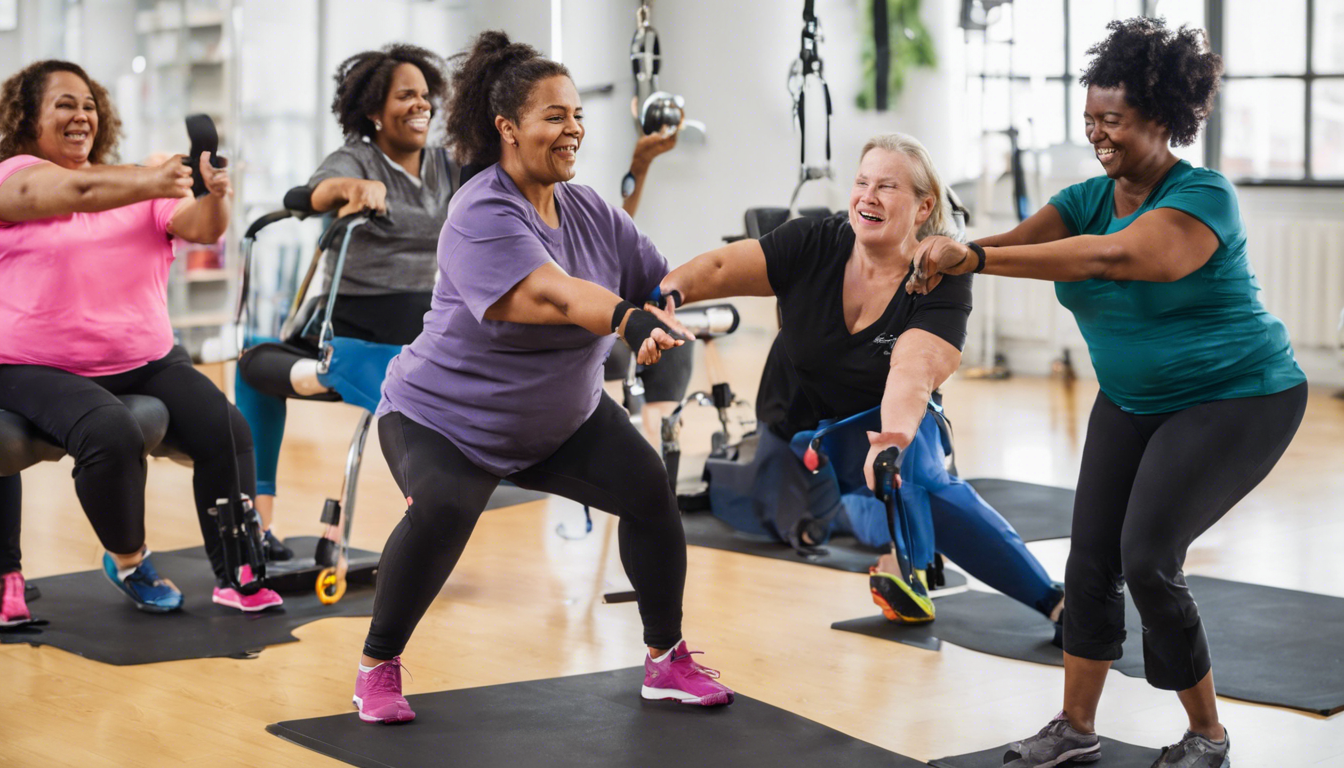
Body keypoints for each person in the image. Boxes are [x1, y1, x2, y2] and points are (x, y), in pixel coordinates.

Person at [909, 19, 1306, 768]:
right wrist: (938, 255)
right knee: (1089, 561)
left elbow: (1119, 257)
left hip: (1240, 397)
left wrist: (975, 256)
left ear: (1161, 120)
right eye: (1090, 119)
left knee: (1149, 557)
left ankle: (1207, 736)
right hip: (1131, 398)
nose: (1098, 134)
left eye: (1113, 121)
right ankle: (1075, 726)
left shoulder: (1202, 198)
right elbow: (1016, 246)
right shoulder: (1086, 197)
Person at [350, 31, 734, 724]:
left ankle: (665, 659)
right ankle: (378, 666)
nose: (574, 129)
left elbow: (656, 274)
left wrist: (667, 302)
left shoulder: (589, 209)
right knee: (443, 509)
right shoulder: (481, 212)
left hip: (561, 423)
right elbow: (554, 295)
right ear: (507, 127)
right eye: (555, 116)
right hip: (443, 420)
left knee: (650, 490)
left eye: (577, 114)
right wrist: (627, 317)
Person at [655, 132, 1063, 626]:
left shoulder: (940, 275)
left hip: (882, 423)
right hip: (796, 422)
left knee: (922, 485)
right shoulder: (814, 241)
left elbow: (912, 374)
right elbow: (722, 267)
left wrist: (890, 441)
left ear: (921, 207)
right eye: (861, 182)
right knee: (800, 526)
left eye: (887, 187)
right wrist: (668, 293)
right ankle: (892, 536)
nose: (867, 197)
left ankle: (1052, 601)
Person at [0, 60, 281, 613]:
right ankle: (128, 560)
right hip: (33, 365)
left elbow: (200, 226)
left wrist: (213, 193)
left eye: (87, 105)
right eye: (63, 104)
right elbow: (75, 189)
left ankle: (237, 569)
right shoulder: (14, 176)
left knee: (227, 429)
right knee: (111, 430)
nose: (81, 114)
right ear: (28, 118)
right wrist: (152, 177)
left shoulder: (134, 182)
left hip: (145, 358)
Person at [234, 44, 454, 561]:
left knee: (405, 384)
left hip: (422, 325)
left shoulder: (448, 166)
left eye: (425, 95)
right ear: (374, 112)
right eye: (405, 96)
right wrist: (353, 188)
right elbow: (310, 194)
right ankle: (257, 525)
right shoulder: (357, 157)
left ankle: (340, 372)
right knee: (252, 364)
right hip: (349, 321)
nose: (420, 105)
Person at [603, 123, 694, 448]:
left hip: (606, 305)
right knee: (610, 352)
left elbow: (615, 229)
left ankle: (662, 452)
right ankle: (618, 451)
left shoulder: (578, 205)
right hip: (572, 321)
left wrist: (640, 166)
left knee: (675, 340)